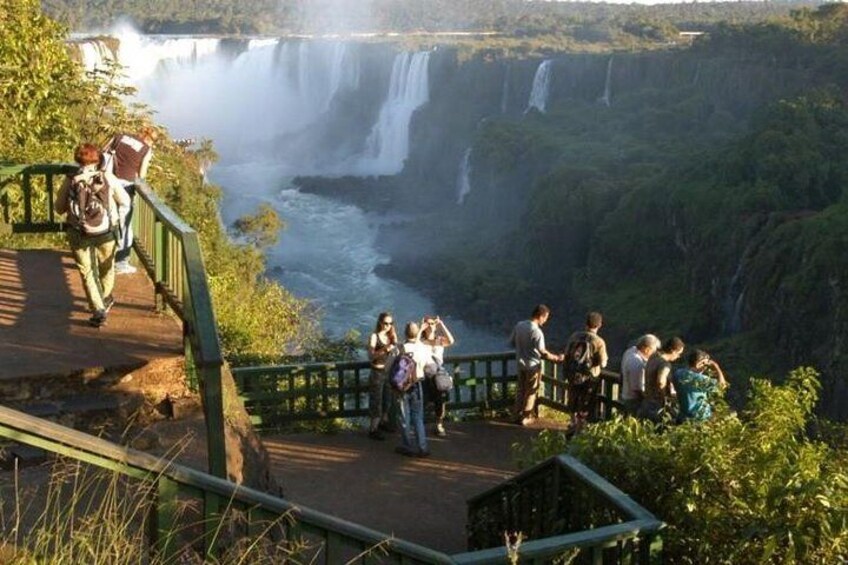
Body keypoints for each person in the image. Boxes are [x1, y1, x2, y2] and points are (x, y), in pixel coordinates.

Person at [55, 143, 130, 327]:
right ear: (98, 159)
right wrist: (116, 220)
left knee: (87, 271)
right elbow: (125, 202)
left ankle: (98, 309)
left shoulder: (72, 179)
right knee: (107, 266)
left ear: (77, 159)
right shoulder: (108, 177)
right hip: (106, 232)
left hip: (78, 231)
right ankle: (104, 299)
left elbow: (59, 208)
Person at [103, 126, 158, 275]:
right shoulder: (146, 149)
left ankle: (101, 255)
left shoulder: (120, 135)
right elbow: (142, 174)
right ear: (151, 139)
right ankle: (121, 262)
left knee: (105, 218)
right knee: (124, 224)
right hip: (125, 187)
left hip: (106, 182)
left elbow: (102, 153)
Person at [509, 305, 564, 426]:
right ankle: (525, 417)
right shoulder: (537, 332)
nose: (546, 320)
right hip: (533, 366)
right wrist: (556, 357)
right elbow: (542, 351)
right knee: (531, 392)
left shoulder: (519, 325)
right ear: (541, 316)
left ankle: (515, 415)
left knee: (520, 390)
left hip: (520, 364)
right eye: (546, 318)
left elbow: (511, 342)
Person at [564, 311, 608, 431]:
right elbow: (603, 363)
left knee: (573, 398)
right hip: (589, 377)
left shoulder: (574, 336)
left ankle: (572, 423)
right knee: (586, 401)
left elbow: (567, 354)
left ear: (586, 323)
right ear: (599, 325)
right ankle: (581, 426)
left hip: (573, 375)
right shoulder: (599, 342)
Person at [394, 322, 433, 457]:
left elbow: (388, 368)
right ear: (418, 333)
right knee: (418, 417)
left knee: (405, 418)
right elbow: (431, 368)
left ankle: (407, 446)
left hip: (402, 386)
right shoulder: (423, 348)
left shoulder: (399, 348)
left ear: (405, 333)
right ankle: (422, 447)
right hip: (417, 384)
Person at [420, 315, 455, 437]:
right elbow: (411, 344)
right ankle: (419, 426)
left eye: (432, 323)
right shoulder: (421, 341)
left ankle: (439, 425)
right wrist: (420, 329)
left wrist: (441, 324)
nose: (430, 326)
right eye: (427, 324)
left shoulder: (439, 340)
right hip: (424, 375)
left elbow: (451, 341)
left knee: (440, 402)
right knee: (422, 401)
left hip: (438, 375)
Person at [672, 349, 728, 423]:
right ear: (699, 363)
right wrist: (716, 367)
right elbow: (722, 386)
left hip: (683, 417)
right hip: (700, 418)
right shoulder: (702, 379)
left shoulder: (678, 373)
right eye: (705, 364)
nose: (706, 367)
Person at [366, 312, 398, 440]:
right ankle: (373, 429)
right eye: (386, 323)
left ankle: (382, 423)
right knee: (376, 401)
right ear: (380, 323)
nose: (388, 326)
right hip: (377, 373)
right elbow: (370, 356)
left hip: (388, 372)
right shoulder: (374, 337)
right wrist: (385, 349)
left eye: (391, 323)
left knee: (387, 400)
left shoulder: (391, 336)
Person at [639, 337, 685, 423]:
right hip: (657, 405)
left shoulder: (654, 356)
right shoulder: (665, 364)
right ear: (673, 351)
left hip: (647, 402)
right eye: (678, 354)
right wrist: (665, 395)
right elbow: (660, 381)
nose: (678, 357)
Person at [619, 334, 660, 415]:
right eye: (653, 351)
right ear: (647, 349)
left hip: (626, 395)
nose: (654, 354)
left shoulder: (630, 351)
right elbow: (636, 387)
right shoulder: (636, 361)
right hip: (633, 400)